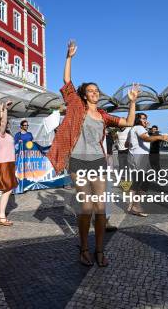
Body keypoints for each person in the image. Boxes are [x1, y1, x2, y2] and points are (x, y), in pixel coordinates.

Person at [48, 40, 138, 268]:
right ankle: (84, 247)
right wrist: (69, 57)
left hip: (98, 162)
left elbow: (128, 122)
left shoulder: (104, 115)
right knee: (86, 207)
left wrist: (132, 103)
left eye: (97, 91)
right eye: (91, 91)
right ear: (84, 95)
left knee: (100, 209)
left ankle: (99, 249)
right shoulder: (76, 106)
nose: (95, 93)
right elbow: (67, 82)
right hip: (78, 161)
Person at [127, 113, 168, 216]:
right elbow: (146, 138)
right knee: (145, 180)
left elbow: (126, 143)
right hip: (139, 158)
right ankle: (135, 205)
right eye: (143, 119)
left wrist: (134, 145)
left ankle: (132, 203)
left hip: (135, 157)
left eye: (146, 119)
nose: (146, 121)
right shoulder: (139, 128)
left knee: (138, 181)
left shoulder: (133, 129)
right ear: (138, 120)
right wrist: (160, 137)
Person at [0, 100, 19, 226]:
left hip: (9, 163)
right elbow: (2, 121)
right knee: (7, 190)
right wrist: (6, 110)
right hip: (3, 164)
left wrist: (1, 109)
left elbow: (2, 121)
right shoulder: (0, 134)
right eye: (4, 123)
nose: (7, 124)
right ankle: (1, 215)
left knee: (7, 190)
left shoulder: (6, 134)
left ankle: (0, 214)